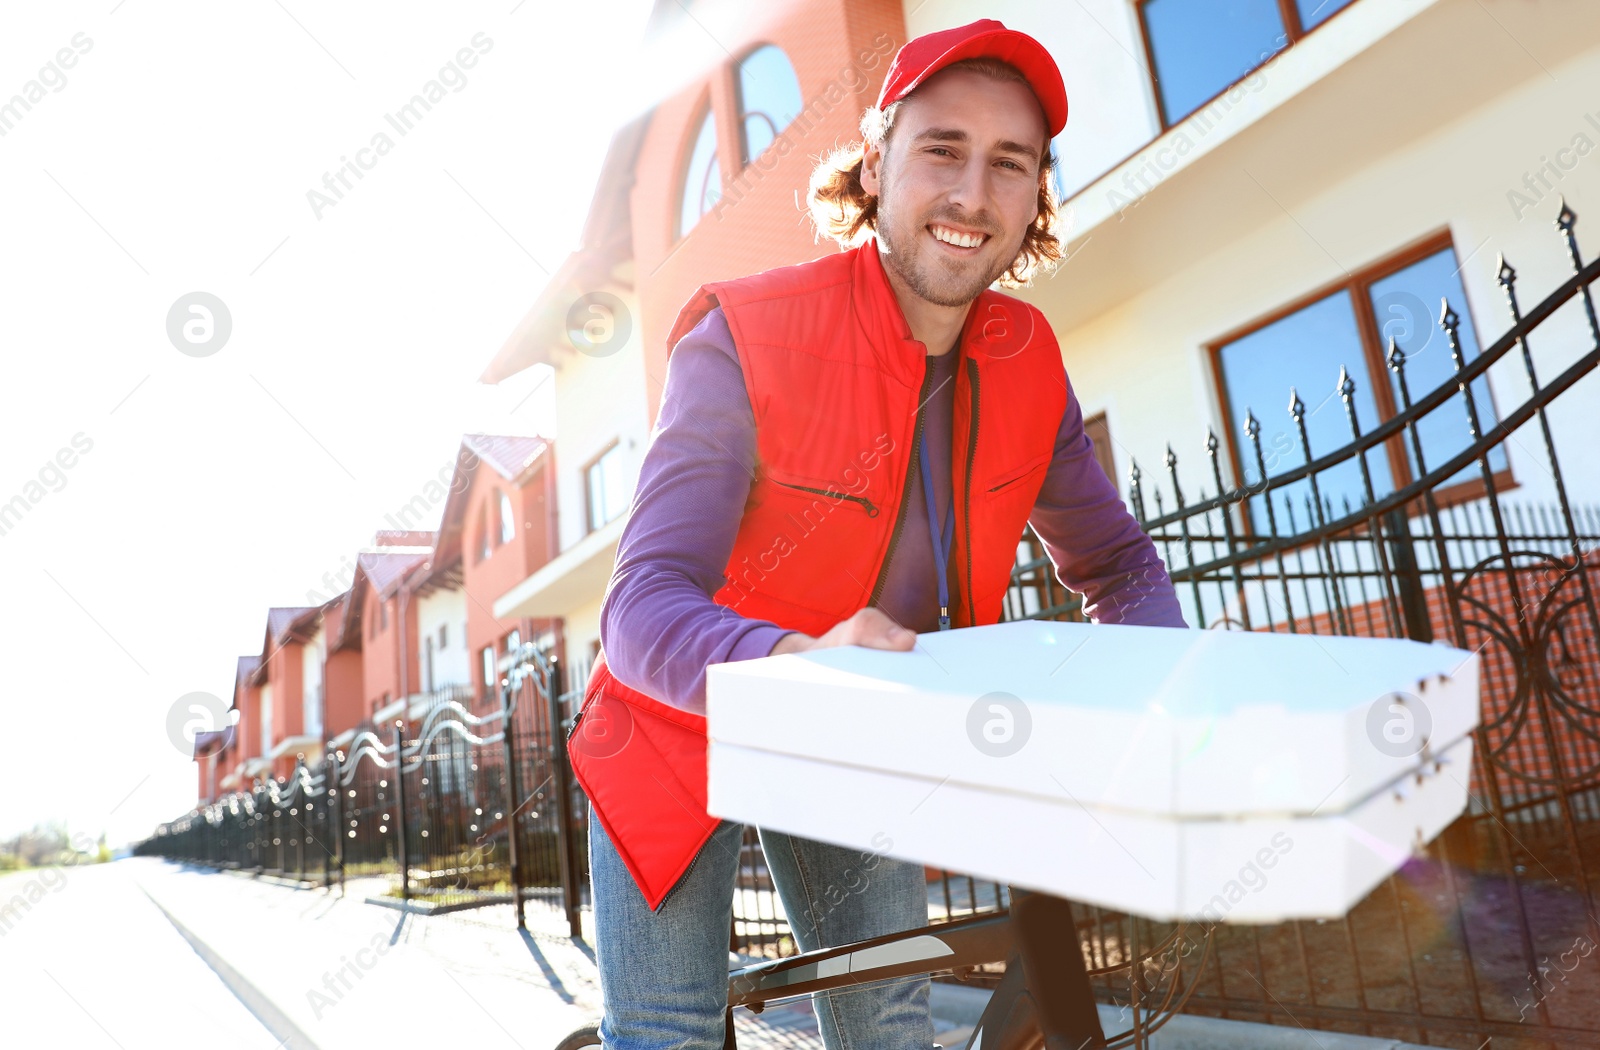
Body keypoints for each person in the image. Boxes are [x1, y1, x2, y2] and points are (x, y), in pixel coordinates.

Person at [567, 18, 1186, 1049]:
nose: (971, 194)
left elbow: (1117, 565)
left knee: (888, 1027)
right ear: (875, 160)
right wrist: (799, 661)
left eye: (1010, 164)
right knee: (668, 1033)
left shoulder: (1027, 361)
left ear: (1036, 195)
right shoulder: (745, 334)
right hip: (680, 724)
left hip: (851, 744)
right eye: (940, 148)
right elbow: (640, 606)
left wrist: (1157, 698)